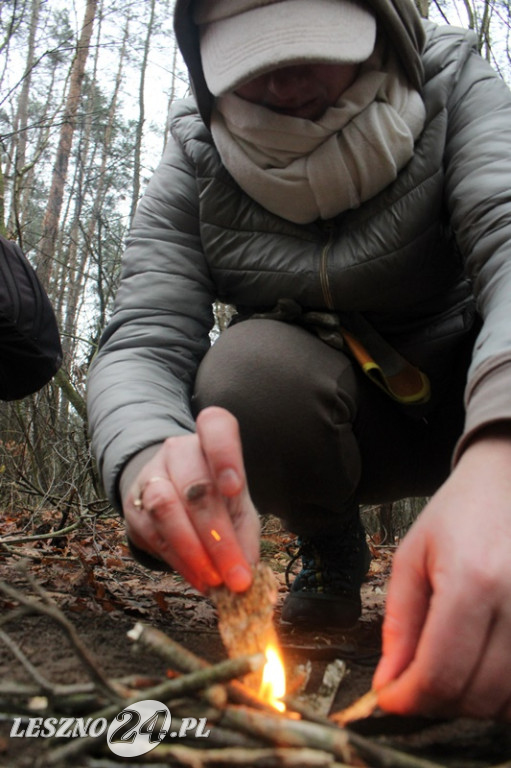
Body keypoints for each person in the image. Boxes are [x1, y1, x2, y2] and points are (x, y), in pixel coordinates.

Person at [87, 0, 511, 721]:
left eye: (309, 48)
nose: (286, 86)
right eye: (254, 64)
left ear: (385, 28)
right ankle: (330, 548)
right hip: (329, 419)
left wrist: (503, 451)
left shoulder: (452, 82)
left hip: (472, 392)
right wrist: (145, 459)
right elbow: (143, 334)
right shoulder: (195, 152)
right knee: (245, 374)